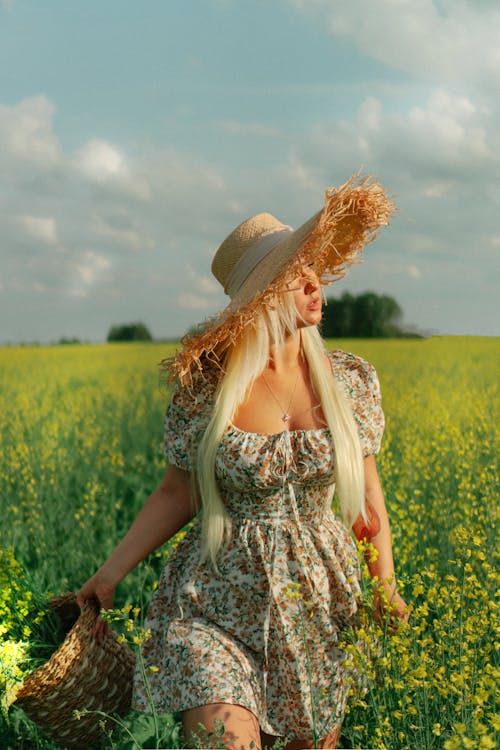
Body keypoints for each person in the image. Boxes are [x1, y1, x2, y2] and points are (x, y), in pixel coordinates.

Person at [77, 175, 409, 750]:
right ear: (261, 295)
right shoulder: (208, 389)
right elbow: (176, 494)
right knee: (223, 741)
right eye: (294, 273)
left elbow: (370, 496)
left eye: (313, 268)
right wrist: (110, 574)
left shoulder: (350, 382)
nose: (314, 283)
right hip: (215, 597)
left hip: (315, 594)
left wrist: (385, 584)